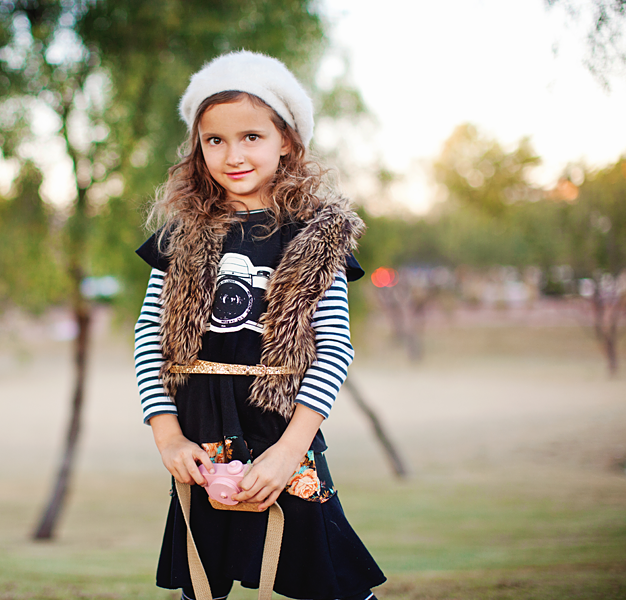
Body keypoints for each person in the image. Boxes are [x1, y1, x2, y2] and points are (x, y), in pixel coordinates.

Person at [133, 51, 385, 600]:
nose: (232, 154)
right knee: (202, 580)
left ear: (287, 141)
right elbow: (149, 339)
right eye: (214, 140)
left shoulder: (318, 236)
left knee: (330, 577)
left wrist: (291, 450)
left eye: (251, 136)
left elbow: (333, 350)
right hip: (199, 425)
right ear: (198, 148)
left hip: (281, 426)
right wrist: (168, 434)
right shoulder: (183, 236)